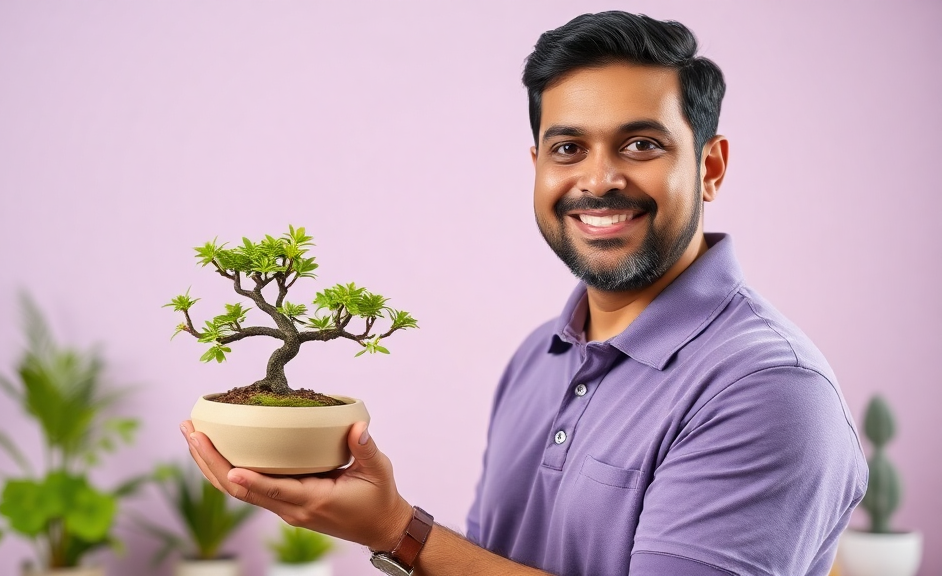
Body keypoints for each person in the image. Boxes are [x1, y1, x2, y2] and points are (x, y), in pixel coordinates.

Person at [181, 11, 867, 576]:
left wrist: (399, 530)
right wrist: (388, 528)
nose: (599, 180)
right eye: (568, 148)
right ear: (536, 165)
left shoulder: (769, 388)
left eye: (641, 145)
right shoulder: (538, 359)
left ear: (710, 166)